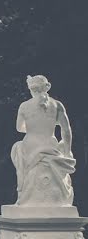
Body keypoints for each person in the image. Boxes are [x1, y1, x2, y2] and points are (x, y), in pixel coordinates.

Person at [11, 75, 77, 206]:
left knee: (17, 147)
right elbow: (66, 131)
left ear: (31, 89)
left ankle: (22, 193)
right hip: (50, 146)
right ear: (47, 87)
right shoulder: (57, 105)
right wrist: (67, 151)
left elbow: (19, 128)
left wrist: (32, 127)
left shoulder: (24, 106)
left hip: (30, 146)